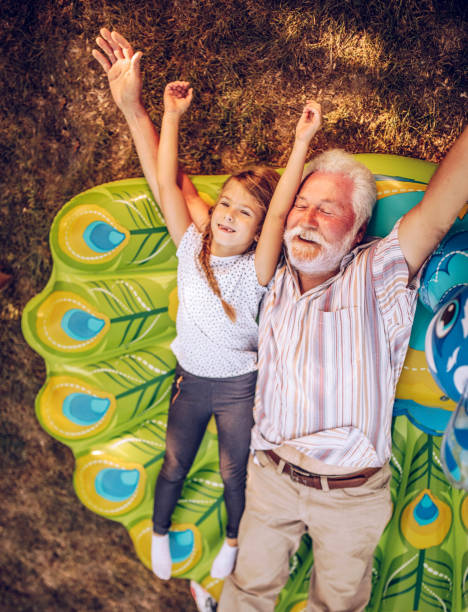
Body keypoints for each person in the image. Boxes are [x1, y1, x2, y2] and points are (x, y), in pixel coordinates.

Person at [92, 28, 323, 581]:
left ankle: (236, 540)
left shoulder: (259, 269)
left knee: (233, 474)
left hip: (239, 387)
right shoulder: (190, 246)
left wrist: (300, 146)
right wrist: (168, 116)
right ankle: (161, 530)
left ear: (257, 231)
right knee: (174, 464)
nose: (228, 216)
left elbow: (274, 215)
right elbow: (168, 185)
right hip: (192, 380)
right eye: (226, 205)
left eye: (245, 215)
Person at [219, 126, 468, 611]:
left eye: (327, 209)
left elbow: (440, 211)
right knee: (247, 592)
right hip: (270, 475)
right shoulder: (267, 272)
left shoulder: (378, 273)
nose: (307, 219)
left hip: (351, 498)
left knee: (337, 607)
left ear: (357, 231)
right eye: (302, 204)